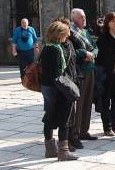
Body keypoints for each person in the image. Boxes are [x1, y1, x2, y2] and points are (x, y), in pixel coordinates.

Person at [40, 21, 78, 161]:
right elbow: (57, 75)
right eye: (66, 32)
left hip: (47, 87)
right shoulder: (56, 50)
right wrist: (69, 90)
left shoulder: (47, 47)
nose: (68, 34)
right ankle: (63, 152)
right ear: (60, 34)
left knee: (49, 117)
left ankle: (50, 150)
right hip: (57, 89)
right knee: (64, 120)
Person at [54, 17, 83, 151]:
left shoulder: (69, 43)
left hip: (72, 80)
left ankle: (72, 138)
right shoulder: (55, 46)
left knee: (72, 113)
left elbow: (76, 55)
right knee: (63, 115)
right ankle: (64, 144)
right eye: (66, 28)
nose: (69, 30)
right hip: (62, 84)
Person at [69, 8, 98, 141]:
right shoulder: (71, 32)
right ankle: (75, 133)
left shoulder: (85, 32)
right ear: (74, 19)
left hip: (90, 69)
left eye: (85, 16)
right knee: (79, 103)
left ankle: (84, 131)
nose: (84, 19)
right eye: (81, 17)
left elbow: (95, 46)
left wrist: (92, 54)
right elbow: (72, 50)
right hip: (80, 71)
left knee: (88, 101)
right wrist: (84, 54)